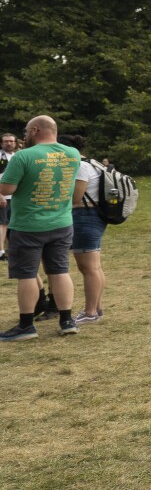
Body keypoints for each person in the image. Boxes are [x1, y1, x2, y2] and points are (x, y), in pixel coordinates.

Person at [0, 116, 82, 341]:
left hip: (28, 224)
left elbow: (7, 187)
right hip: (62, 222)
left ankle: (26, 325)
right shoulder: (72, 154)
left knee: (26, 274)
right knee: (59, 271)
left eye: (26, 132)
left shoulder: (23, 156)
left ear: (34, 130)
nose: (23, 136)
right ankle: (67, 320)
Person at [60, 135, 109, 325]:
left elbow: (76, 197)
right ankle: (96, 308)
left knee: (88, 267)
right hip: (93, 216)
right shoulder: (92, 163)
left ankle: (89, 312)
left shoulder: (79, 166)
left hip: (84, 216)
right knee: (94, 266)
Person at [0, 132, 18, 260]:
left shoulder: (18, 156)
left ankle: (13, 250)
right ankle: (1, 252)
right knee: (2, 224)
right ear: (2, 143)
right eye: (6, 141)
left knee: (14, 224)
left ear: (15, 143)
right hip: (3, 196)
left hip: (17, 197)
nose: (9, 143)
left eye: (11, 141)